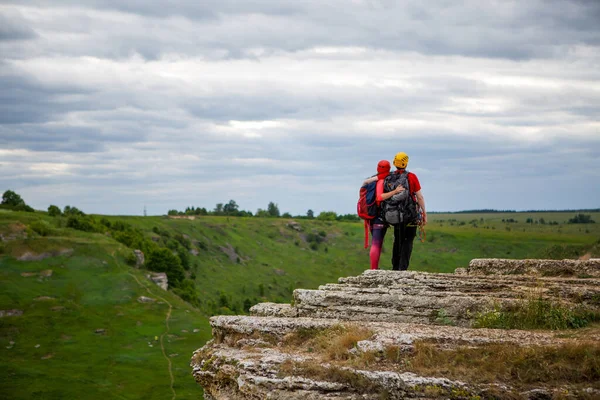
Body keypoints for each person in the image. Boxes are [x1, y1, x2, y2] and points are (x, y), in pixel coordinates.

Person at [385, 152, 426, 271]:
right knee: (408, 241)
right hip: (409, 215)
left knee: (397, 240)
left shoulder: (389, 177)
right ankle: (403, 269)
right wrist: (424, 214)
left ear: (394, 163)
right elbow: (419, 197)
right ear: (406, 163)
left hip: (394, 215)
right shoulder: (411, 177)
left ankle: (395, 267)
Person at [362, 160, 404, 270]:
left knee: (375, 242)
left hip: (370, 216)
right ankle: (374, 269)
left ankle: (374, 268)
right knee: (377, 243)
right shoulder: (384, 180)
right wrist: (395, 191)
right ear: (388, 168)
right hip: (379, 217)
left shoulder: (371, 180)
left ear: (377, 168)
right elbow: (379, 197)